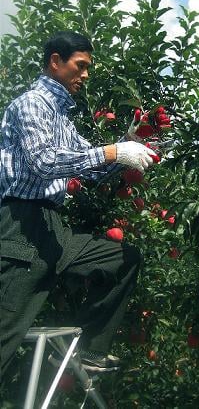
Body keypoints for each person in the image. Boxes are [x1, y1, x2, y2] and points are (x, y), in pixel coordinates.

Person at [0, 30, 156, 377]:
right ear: (55, 62)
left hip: (54, 228)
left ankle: (86, 349)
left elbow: (91, 171)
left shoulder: (62, 120)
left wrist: (130, 149)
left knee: (124, 260)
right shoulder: (30, 105)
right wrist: (114, 151)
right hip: (21, 228)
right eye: (80, 65)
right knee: (4, 336)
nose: (85, 75)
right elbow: (43, 163)